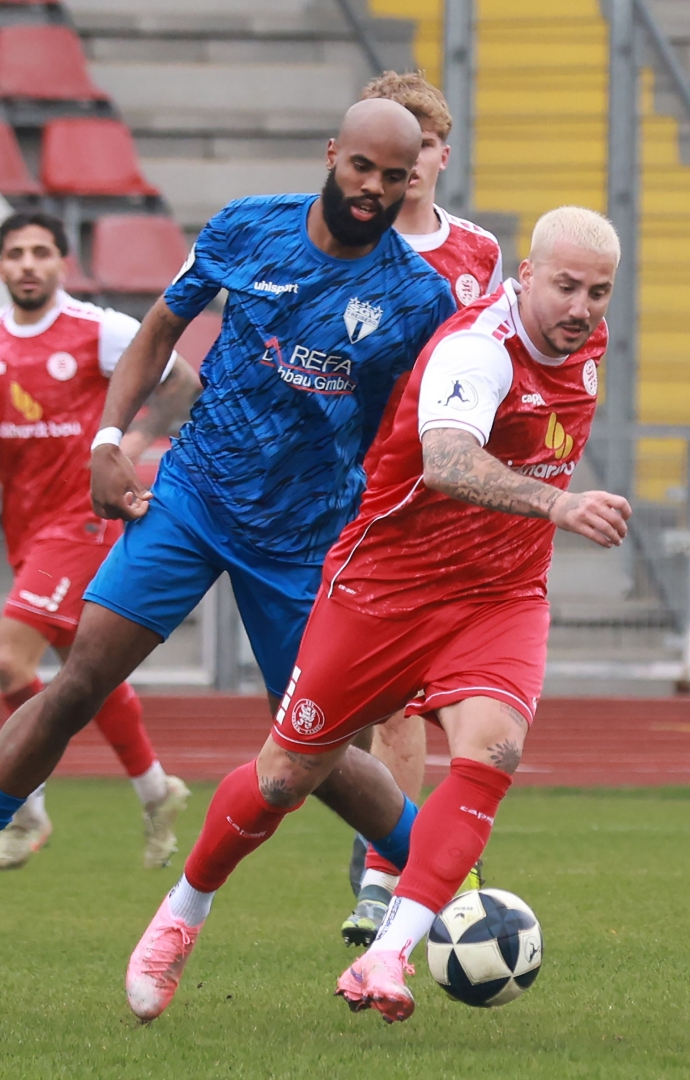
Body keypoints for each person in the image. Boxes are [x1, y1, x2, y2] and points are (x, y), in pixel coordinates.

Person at [0, 97, 456, 966]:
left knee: (311, 749)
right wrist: (110, 440)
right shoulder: (248, 227)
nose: (372, 188)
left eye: (393, 177)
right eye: (361, 166)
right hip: (193, 499)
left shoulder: (417, 297)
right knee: (76, 684)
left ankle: (453, 882)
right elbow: (162, 328)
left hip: (303, 537)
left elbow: (420, 427)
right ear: (332, 154)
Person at [122, 206, 630, 1023]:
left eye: (597, 293)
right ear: (525, 275)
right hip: (384, 591)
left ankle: (389, 953)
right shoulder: (477, 348)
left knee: (491, 752)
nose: (580, 308)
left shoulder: (588, 344)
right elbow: (448, 460)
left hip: (497, 596)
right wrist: (558, 506)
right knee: (284, 777)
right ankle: (182, 911)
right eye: (565, 286)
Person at [0, 210, 200, 871]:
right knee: (87, 672)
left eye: (40, 252)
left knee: (8, 660)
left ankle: (24, 811)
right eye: (16, 253)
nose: (28, 264)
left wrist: (134, 441)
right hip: (25, 528)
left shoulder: (98, 329)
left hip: (81, 520)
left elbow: (183, 381)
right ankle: (155, 790)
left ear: (62, 263)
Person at [342, 70, 505, 948]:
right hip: (361, 491)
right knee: (387, 699)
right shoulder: (347, 246)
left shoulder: (478, 252)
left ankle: (402, 868)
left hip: (449, 498)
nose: (410, 163)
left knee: (453, 698)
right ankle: (389, 869)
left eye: (425, 145)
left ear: (441, 154)